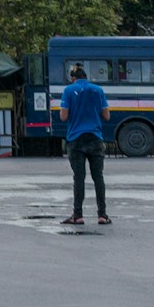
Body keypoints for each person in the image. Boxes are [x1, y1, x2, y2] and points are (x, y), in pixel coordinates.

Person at [59, 62, 110, 227]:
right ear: (86, 77)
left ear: (73, 78)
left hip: (76, 139)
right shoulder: (98, 90)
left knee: (79, 178)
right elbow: (106, 116)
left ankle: (78, 215)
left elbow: (64, 116)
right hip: (95, 137)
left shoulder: (68, 91)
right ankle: (102, 215)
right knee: (98, 178)